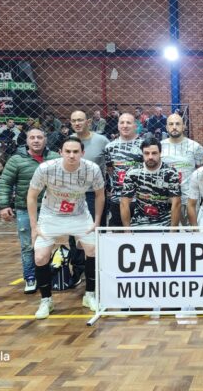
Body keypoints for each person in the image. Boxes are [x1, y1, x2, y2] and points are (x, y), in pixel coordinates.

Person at [27, 137, 105, 320]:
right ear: (60, 152)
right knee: (40, 256)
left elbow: (100, 195)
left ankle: (90, 295)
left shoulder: (92, 169)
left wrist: (97, 222)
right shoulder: (46, 168)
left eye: (76, 152)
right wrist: (34, 226)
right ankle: (46, 300)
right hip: (50, 215)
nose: (72, 155)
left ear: (82, 153)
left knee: (93, 249)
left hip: (79, 214)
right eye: (68, 151)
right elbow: (31, 196)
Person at [0, 128, 60, 294]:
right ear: (27, 140)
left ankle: (49, 276)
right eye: (32, 137)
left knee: (52, 244)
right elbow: (5, 183)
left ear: (45, 139)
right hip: (25, 209)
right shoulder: (16, 160)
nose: (36, 140)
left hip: (52, 210)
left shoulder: (55, 158)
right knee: (27, 246)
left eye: (40, 137)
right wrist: (4, 205)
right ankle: (30, 278)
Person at [69, 110, 110, 286]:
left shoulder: (102, 141)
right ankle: (78, 271)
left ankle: (97, 269)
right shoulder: (69, 142)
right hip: (72, 195)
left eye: (80, 120)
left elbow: (111, 167)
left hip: (95, 195)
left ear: (88, 122)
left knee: (95, 231)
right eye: (73, 121)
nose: (77, 123)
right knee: (74, 233)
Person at [120, 137, 181, 228]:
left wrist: (173, 231)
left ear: (160, 153)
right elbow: (124, 203)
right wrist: (127, 231)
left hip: (165, 223)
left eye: (154, 153)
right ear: (142, 154)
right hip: (140, 223)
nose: (150, 157)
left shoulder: (171, 173)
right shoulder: (133, 172)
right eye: (146, 153)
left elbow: (176, 203)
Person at [161, 114, 203, 225]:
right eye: (171, 124)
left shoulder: (195, 147)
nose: (174, 127)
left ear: (184, 126)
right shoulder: (159, 147)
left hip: (189, 198)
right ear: (166, 127)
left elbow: (201, 172)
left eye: (177, 124)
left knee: (191, 232)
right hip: (166, 199)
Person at [104, 113, 143, 227]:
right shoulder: (110, 147)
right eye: (122, 122)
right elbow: (110, 169)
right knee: (117, 234)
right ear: (118, 125)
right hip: (118, 199)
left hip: (140, 199)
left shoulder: (144, 145)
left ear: (135, 126)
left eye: (128, 123)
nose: (125, 126)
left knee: (142, 236)